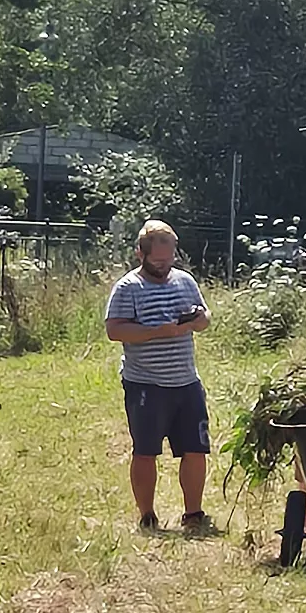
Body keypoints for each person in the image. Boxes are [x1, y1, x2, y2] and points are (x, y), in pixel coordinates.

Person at [103, 220, 212, 534]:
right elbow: (115, 330)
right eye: (157, 260)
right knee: (146, 450)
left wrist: (196, 320)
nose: (164, 265)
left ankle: (194, 513)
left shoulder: (185, 281)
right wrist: (155, 333)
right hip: (145, 383)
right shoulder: (127, 288)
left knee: (196, 448)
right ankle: (147, 515)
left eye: (168, 259)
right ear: (141, 253)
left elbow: (204, 317)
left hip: (186, 381)